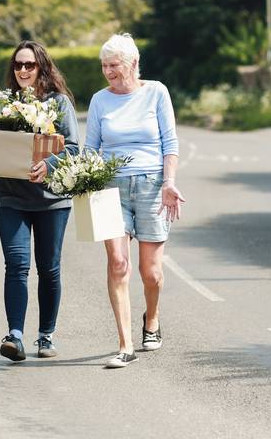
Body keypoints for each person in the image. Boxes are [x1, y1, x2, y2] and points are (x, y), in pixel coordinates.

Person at [85, 33, 185, 369]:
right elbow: (90, 149)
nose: (109, 72)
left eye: (114, 65)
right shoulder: (100, 100)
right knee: (117, 264)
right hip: (107, 186)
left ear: (133, 64)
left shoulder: (156, 92)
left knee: (151, 273)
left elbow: (170, 144)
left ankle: (152, 319)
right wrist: (81, 180)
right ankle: (125, 345)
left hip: (151, 186)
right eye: (104, 66)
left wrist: (169, 183)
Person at [0, 40, 80, 361]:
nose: (23, 70)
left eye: (29, 65)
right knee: (16, 264)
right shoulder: (5, 104)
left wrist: (48, 164)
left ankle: (45, 336)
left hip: (52, 200)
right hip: (10, 196)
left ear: (42, 67)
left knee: (49, 268)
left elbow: (72, 147)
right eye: (18, 65)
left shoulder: (59, 103)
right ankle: (14, 336)